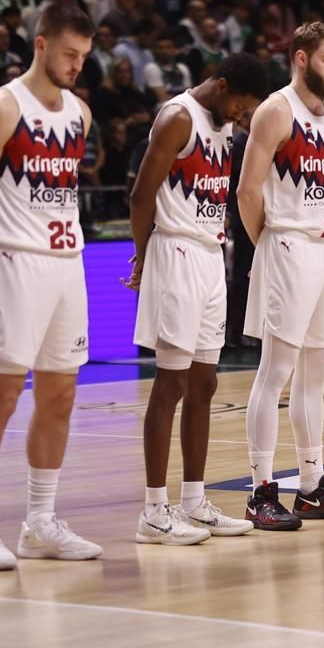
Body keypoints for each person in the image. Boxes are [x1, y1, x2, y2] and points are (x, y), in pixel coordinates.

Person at [0, 2, 102, 571]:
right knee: (2, 396)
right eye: (70, 54)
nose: (77, 65)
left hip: (68, 263)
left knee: (60, 396)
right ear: (41, 45)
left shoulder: (81, 115)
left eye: (84, 57)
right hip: (14, 263)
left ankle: (40, 522)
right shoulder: (1, 108)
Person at [126, 53, 269, 545]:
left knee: (205, 383)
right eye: (241, 105)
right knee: (170, 384)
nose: (242, 116)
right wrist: (142, 258)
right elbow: (141, 194)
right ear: (222, 84)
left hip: (210, 255)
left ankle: (193, 501)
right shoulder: (178, 118)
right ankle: (152, 510)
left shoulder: (221, 125)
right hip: (175, 253)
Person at [237, 21, 324, 529]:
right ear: (300, 59)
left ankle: (313, 486)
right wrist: (271, 247)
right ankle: (260, 490)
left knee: (317, 375)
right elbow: (248, 192)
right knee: (275, 374)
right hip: (289, 246)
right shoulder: (275, 110)